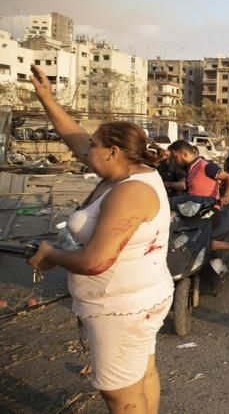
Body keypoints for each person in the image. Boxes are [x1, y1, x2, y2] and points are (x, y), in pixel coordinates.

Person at [25, 65, 173, 412]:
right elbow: (74, 136)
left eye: (95, 145)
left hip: (121, 308)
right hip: (135, 299)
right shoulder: (124, 172)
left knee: (119, 394)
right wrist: (47, 97)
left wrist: (51, 253)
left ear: (113, 151)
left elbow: (96, 261)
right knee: (142, 373)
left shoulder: (130, 191)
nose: (86, 150)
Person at [168, 140, 229, 263]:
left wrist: (226, 196)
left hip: (210, 210)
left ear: (184, 154)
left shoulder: (205, 165)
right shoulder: (191, 169)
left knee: (195, 239)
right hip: (195, 210)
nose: (175, 160)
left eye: (175, 157)